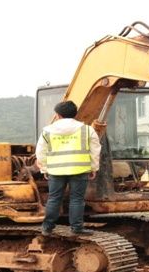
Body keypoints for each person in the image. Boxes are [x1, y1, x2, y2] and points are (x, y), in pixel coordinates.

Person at [36, 100, 101, 236]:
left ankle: (47, 228)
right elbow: (95, 150)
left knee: (54, 198)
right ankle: (77, 228)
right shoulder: (87, 130)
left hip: (56, 171)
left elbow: (40, 152)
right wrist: (93, 167)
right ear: (75, 114)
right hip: (79, 170)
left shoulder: (47, 130)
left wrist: (45, 169)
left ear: (58, 115)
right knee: (77, 199)